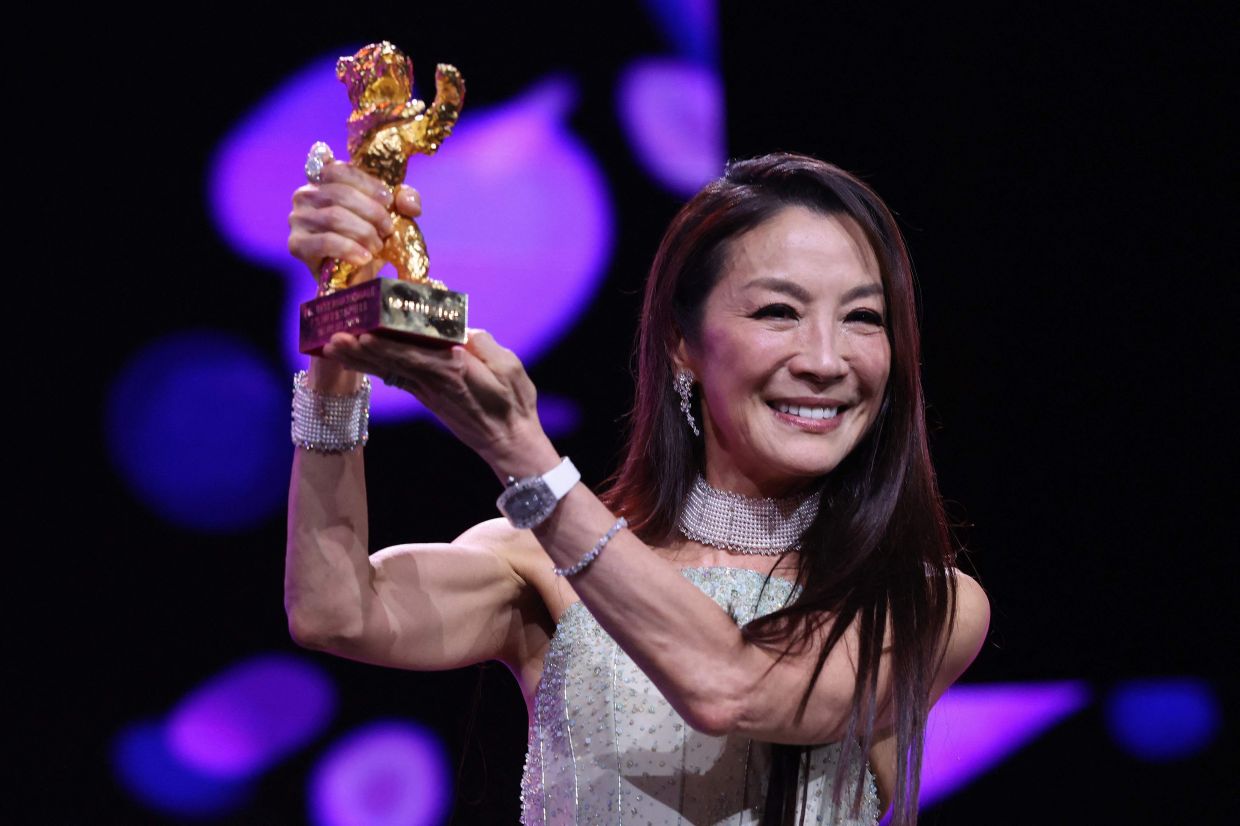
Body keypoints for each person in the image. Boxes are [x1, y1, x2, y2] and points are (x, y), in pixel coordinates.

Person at [285, 151, 990, 825]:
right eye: (779, 312)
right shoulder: (536, 563)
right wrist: (337, 348)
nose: (827, 360)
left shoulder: (925, 603)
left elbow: (736, 688)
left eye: (864, 318)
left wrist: (526, 458)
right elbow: (335, 611)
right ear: (683, 344)